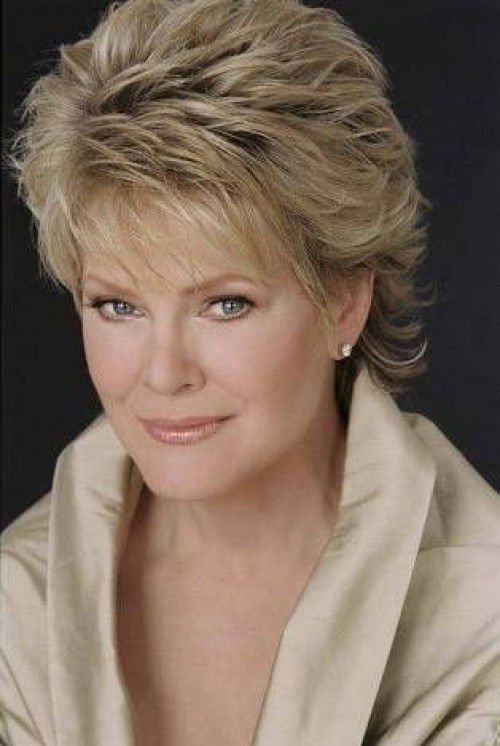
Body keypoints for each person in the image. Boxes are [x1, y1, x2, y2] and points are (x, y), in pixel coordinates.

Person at [1, 0, 499, 744]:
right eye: (118, 306)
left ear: (344, 304)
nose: (163, 374)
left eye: (225, 304)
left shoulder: (480, 611)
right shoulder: (18, 604)